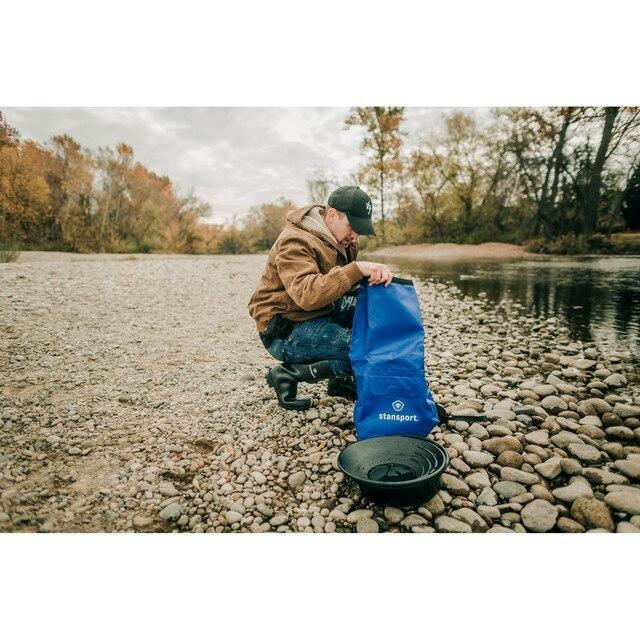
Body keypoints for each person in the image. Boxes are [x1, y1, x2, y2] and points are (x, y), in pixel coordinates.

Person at [248, 185, 393, 410]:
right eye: (353, 227)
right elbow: (307, 294)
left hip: (319, 310)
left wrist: (373, 276)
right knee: (361, 349)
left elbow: (340, 284)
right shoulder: (295, 241)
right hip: (284, 328)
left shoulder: (344, 239)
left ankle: (341, 382)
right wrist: (356, 269)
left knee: (372, 315)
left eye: (360, 229)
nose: (355, 235)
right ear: (333, 216)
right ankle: (286, 374)